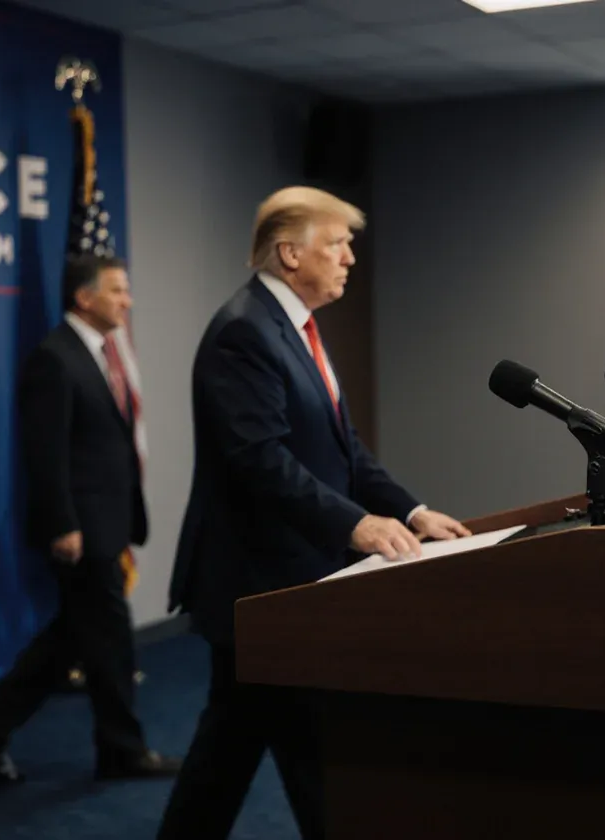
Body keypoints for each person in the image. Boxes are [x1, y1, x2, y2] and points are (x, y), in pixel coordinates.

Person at [157, 186, 471, 839]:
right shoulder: (244, 331)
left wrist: (412, 511)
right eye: (337, 244)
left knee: (252, 746)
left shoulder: (293, 326)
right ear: (290, 252)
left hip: (291, 581)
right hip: (260, 583)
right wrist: (357, 523)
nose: (350, 258)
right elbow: (259, 459)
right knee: (278, 747)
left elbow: (343, 448)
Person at [0, 255, 182, 783]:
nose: (127, 301)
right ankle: (122, 750)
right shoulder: (53, 359)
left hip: (107, 521)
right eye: (117, 291)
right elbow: (45, 452)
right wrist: (63, 524)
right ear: (84, 297)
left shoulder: (98, 353)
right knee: (108, 635)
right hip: (82, 527)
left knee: (73, 639)